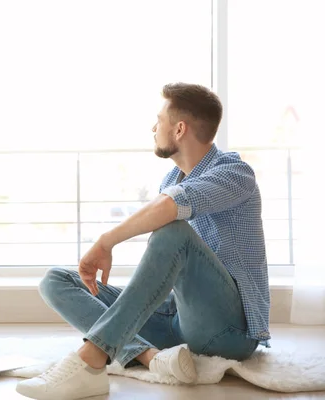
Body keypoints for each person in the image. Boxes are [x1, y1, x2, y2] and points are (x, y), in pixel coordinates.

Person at [16, 83, 271, 400]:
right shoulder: (170, 179)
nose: (153, 127)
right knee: (56, 281)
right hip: (178, 322)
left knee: (173, 230)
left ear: (179, 129)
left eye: (159, 119)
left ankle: (92, 361)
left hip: (229, 332)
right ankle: (149, 358)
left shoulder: (235, 172)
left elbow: (169, 209)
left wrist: (106, 241)